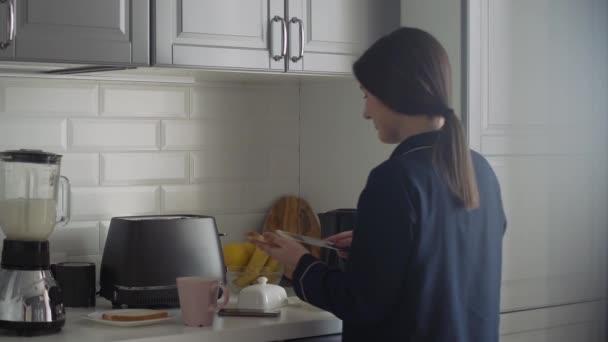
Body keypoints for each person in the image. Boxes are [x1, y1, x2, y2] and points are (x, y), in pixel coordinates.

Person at [251, 27, 507, 342]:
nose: (365, 111)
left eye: (366, 94)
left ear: (392, 93)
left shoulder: (394, 179)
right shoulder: (481, 170)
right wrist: (374, 244)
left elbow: (359, 303)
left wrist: (299, 262)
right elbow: (445, 266)